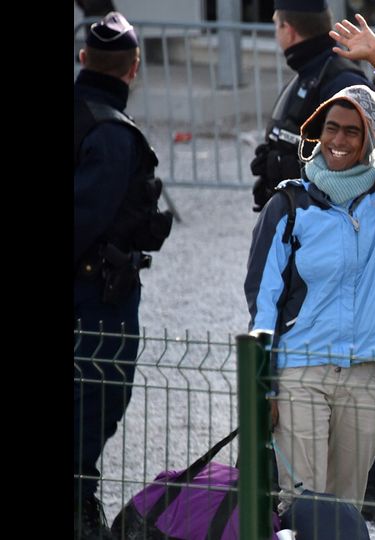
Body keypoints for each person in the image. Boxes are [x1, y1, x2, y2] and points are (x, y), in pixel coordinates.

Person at [243, 13, 375, 525]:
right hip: (300, 371)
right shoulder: (288, 205)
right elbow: (262, 300)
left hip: (363, 372)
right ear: (317, 131)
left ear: (369, 141)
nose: (339, 139)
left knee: (347, 510)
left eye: (353, 131)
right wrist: (262, 383)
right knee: (302, 504)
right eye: (331, 127)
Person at [74, 11, 173, 539]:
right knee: (98, 397)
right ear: (134, 67)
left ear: (84, 59)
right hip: (97, 295)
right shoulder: (111, 133)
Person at [249, 0, 369, 213]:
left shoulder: (342, 81)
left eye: (277, 26)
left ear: (289, 30)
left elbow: (362, 165)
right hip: (303, 217)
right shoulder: (310, 72)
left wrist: (293, 170)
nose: (276, 35)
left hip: (329, 226)